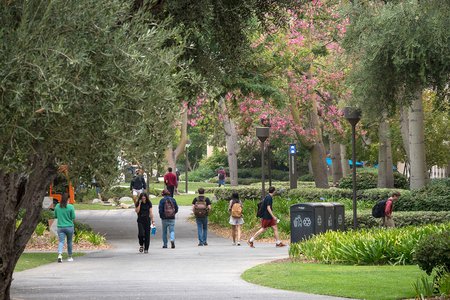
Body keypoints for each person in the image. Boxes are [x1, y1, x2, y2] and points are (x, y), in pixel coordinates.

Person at [54, 193, 76, 262]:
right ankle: (69, 256)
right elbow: (73, 217)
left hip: (60, 227)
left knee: (61, 241)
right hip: (69, 227)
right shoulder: (70, 207)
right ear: (68, 199)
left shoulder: (57, 206)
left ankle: (60, 255)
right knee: (69, 242)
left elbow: (55, 216)